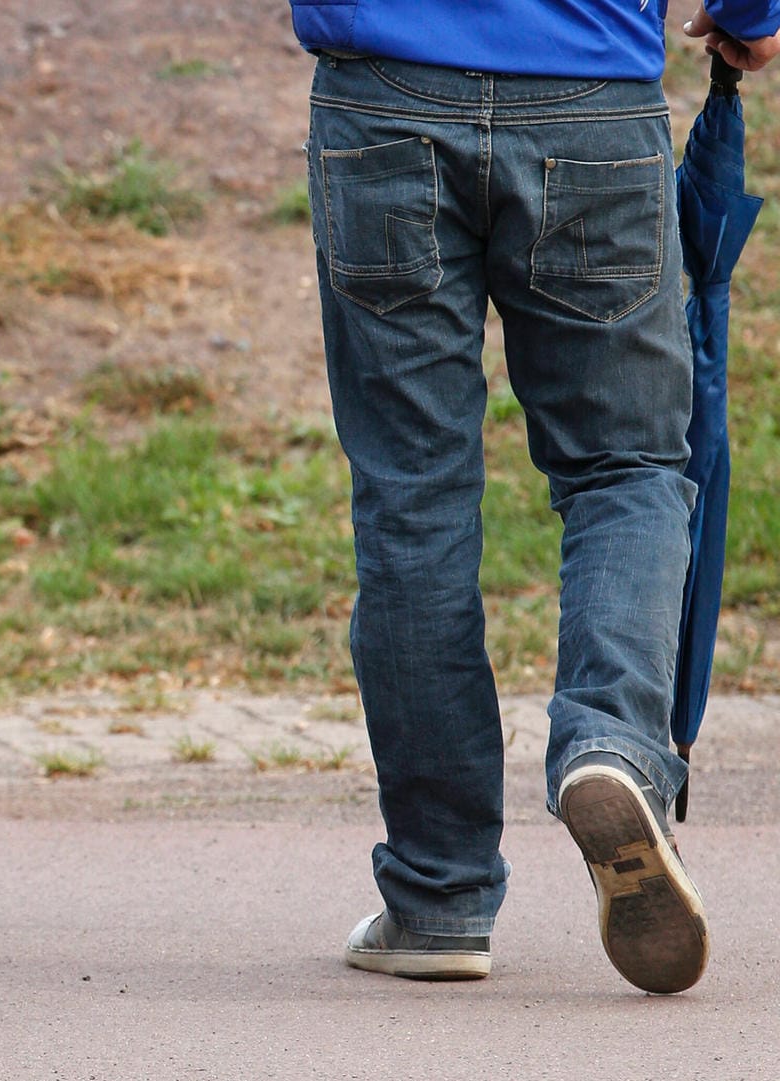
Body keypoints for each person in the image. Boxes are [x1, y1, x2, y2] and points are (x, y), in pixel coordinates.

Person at [289, 0, 780, 994]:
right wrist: (747, 14)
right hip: (591, 91)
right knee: (628, 470)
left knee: (412, 500)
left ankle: (438, 896)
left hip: (381, 95)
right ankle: (611, 745)